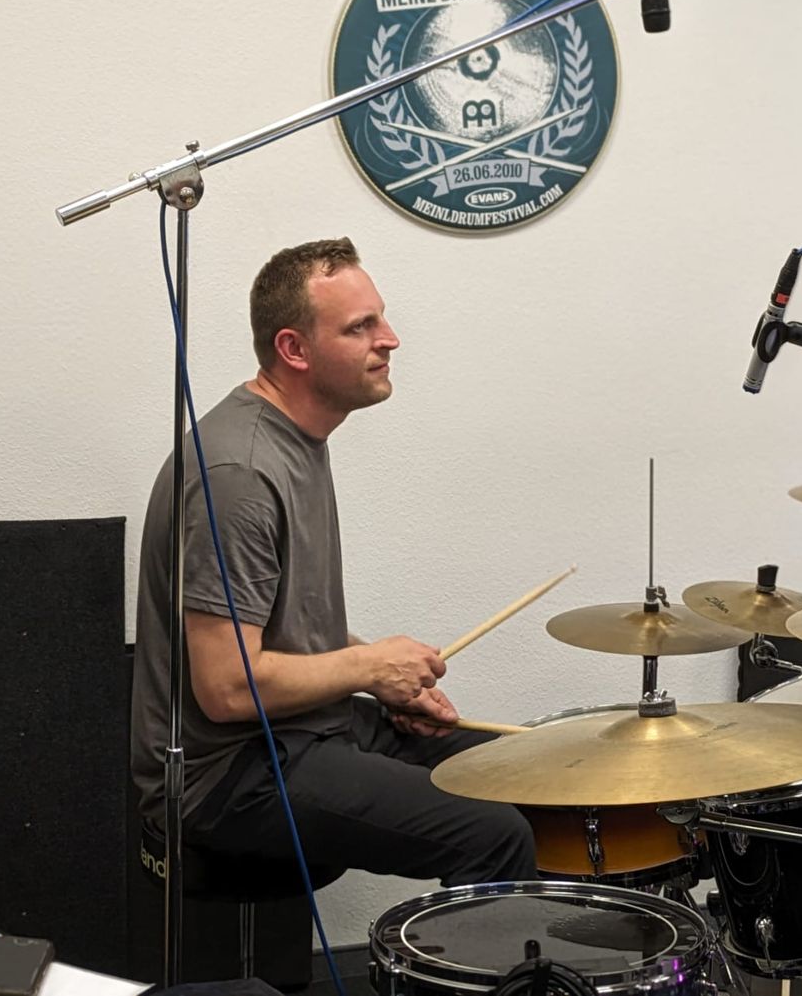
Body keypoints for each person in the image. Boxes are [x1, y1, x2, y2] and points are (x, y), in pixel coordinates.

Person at [130, 237, 534, 885]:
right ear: (294, 349)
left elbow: (283, 630)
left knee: (525, 774)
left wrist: (382, 677)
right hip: (230, 771)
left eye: (381, 318)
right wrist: (369, 666)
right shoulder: (241, 474)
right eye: (360, 327)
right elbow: (227, 686)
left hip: (306, 727)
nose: (390, 339)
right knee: (493, 833)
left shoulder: (296, 438)